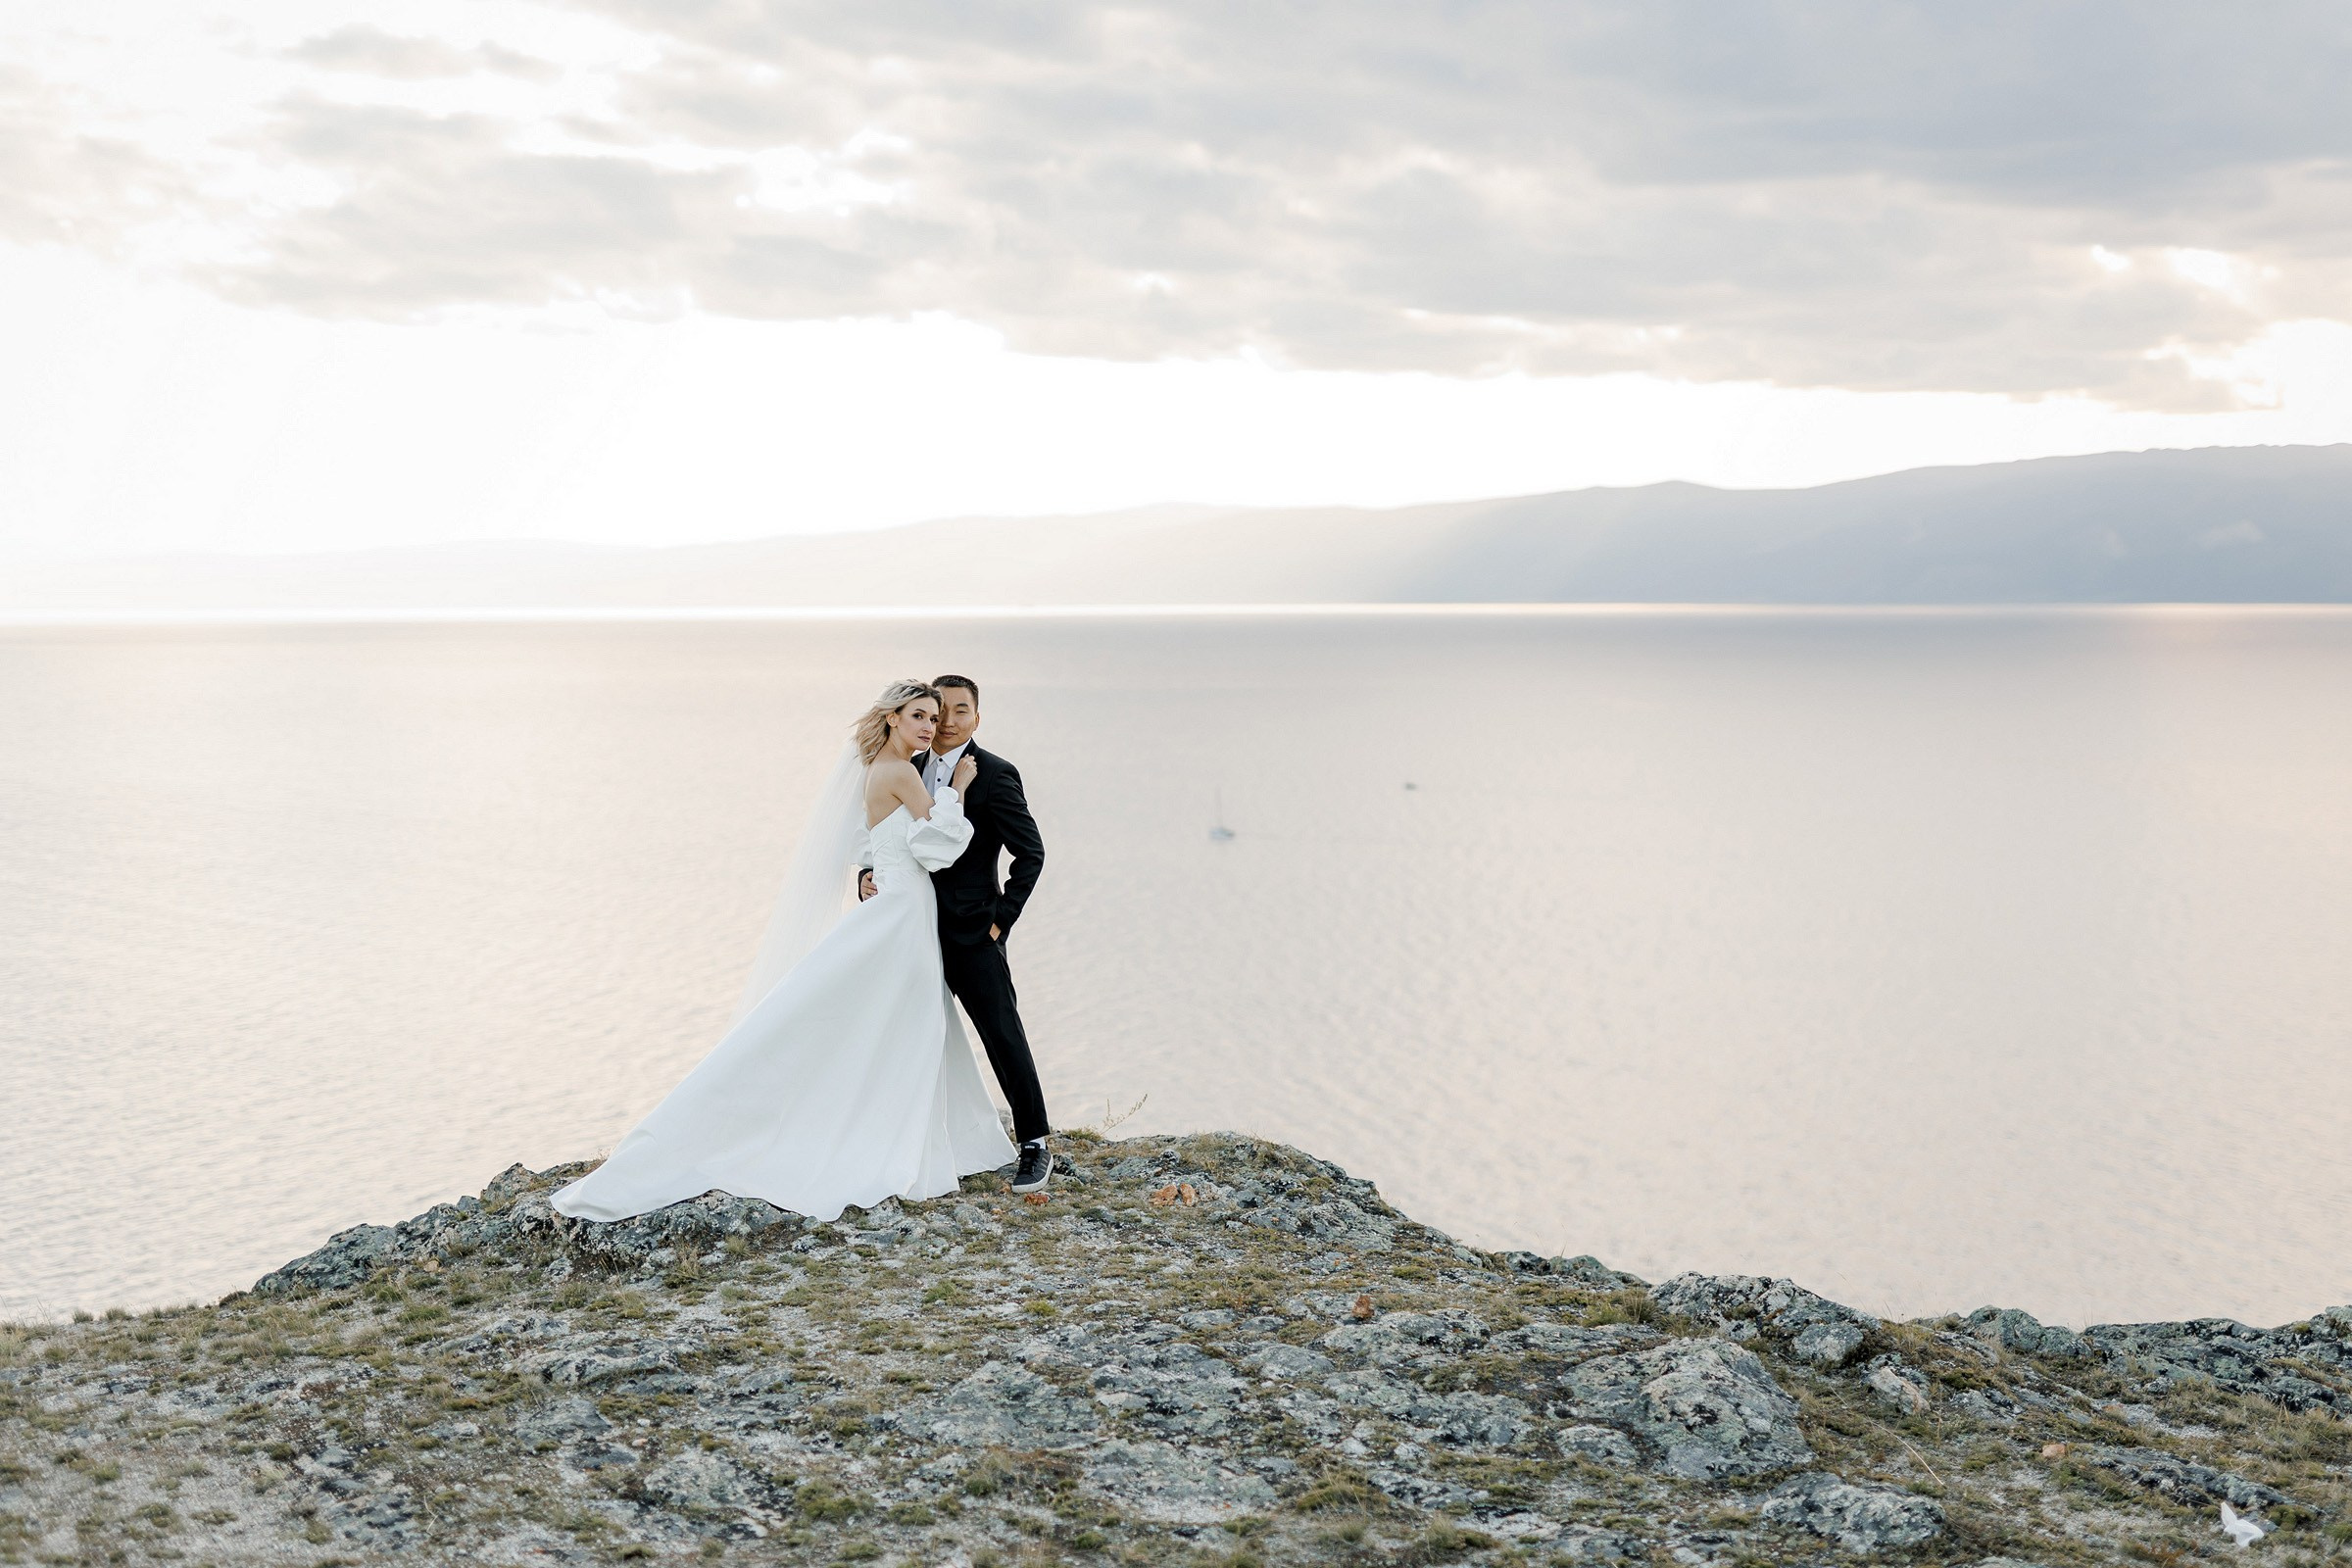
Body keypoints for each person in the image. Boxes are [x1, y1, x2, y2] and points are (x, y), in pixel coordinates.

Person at [551, 680, 1018, 1224]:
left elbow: (891, 843)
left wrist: (881, 862)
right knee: (904, 1022)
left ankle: (902, 1131)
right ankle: (887, 1138)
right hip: (903, 912)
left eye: (934, 718)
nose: (929, 727)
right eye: (918, 716)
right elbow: (941, 844)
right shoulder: (895, 771)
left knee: (903, 1022)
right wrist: (957, 788)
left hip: (901, 905)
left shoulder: (887, 771)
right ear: (892, 718)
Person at [859, 674, 1053, 1195]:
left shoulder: (993, 774)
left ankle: (1034, 1140)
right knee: (905, 1032)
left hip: (972, 932)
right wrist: (866, 872)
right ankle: (917, 1139)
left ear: (977, 718)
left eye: (960, 711)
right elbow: (877, 827)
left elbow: (1030, 853)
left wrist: (1000, 919)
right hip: (909, 926)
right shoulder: (908, 762)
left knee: (1000, 1033)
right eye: (938, 710)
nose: (946, 721)